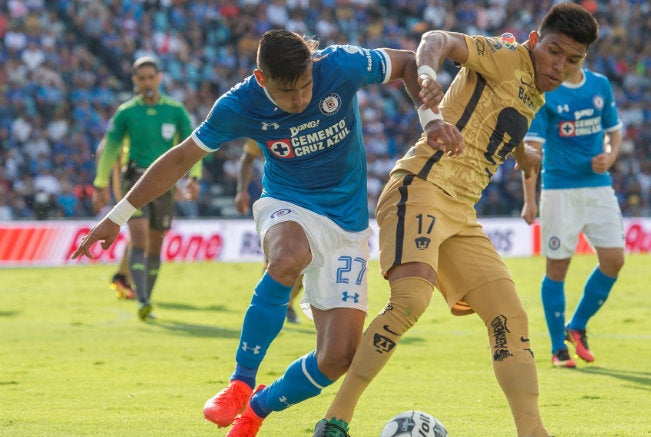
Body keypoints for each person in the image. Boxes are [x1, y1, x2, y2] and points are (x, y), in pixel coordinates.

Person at [71, 30, 436, 437]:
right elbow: (180, 159)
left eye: (305, 88)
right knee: (286, 257)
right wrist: (117, 215)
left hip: (347, 224)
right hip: (287, 202)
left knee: (337, 358)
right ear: (262, 79)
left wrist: (430, 120)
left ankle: (257, 408)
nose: (299, 100)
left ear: (313, 68)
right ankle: (240, 382)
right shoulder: (239, 103)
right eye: (287, 92)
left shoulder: (339, 65)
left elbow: (406, 60)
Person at [312, 4, 599, 437]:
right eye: (554, 51)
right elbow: (437, 40)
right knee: (410, 300)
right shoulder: (505, 56)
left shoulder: (534, 91)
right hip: (421, 187)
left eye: (572, 60)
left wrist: (524, 155)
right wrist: (427, 74)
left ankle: (533, 432)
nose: (559, 66)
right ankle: (336, 420)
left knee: (509, 316)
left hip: (461, 214)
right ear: (535, 41)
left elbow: (500, 126)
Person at [521, 66, 625, 368]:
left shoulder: (600, 85)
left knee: (614, 259)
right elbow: (532, 151)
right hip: (559, 190)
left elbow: (614, 130)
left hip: (598, 188)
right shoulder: (546, 92)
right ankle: (558, 349)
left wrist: (611, 156)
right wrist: (530, 200)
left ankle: (577, 325)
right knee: (557, 268)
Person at [90, 56, 201, 320]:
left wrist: (193, 178)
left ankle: (145, 294)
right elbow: (109, 149)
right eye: (142, 78)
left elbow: (195, 146)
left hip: (165, 185)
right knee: (138, 239)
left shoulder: (175, 111)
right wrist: (99, 184)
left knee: (154, 246)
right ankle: (143, 300)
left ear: (159, 78)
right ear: (135, 81)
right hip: (134, 181)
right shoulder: (126, 112)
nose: (147, 82)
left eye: (151, 77)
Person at [236, 138, 303, 324]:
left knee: (307, 264)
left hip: (310, 201)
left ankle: (288, 304)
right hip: (277, 200)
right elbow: (247, 158)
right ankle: (264, 308)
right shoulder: (266, 122)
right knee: (275, 259)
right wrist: (241, 190)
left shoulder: (314, 120)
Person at [93, 137, 136, 300]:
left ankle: (125, 278)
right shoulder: (124, 124)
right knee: (140, 233)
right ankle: (124, 278)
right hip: (129, 186)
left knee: (139, 235)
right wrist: (103, 183)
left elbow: (100, 151)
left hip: (132, 184)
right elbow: (102, 150)